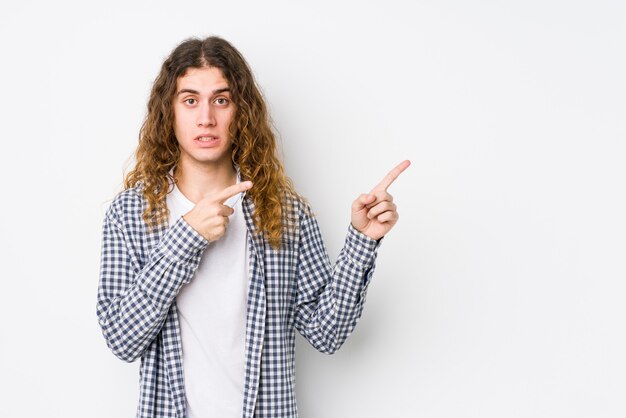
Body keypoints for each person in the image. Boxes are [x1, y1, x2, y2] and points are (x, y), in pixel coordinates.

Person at [96, 35, 409, 418]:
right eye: (190, 100)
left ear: (240, 111)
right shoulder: (130, 213)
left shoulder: (285, 213)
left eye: (221, 100)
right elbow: (121, 339)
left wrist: (362, 241)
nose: (206, 117)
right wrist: (186, 239)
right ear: (170, 112)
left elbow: (327, 334)